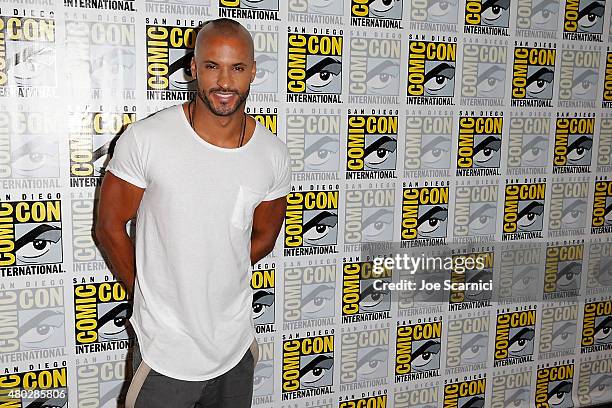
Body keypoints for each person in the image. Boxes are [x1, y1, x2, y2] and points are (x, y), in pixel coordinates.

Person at [95, 18, 290, 408]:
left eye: (236, 68)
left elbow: (265, 236)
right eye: (212, 65)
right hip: (165, 351)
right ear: (193, 68)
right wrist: (148, 292)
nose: (224, 81)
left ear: (252, 72)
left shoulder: (272, 153)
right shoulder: (147, 139)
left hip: (234, 347)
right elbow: (109, 226)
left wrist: (216, 265)